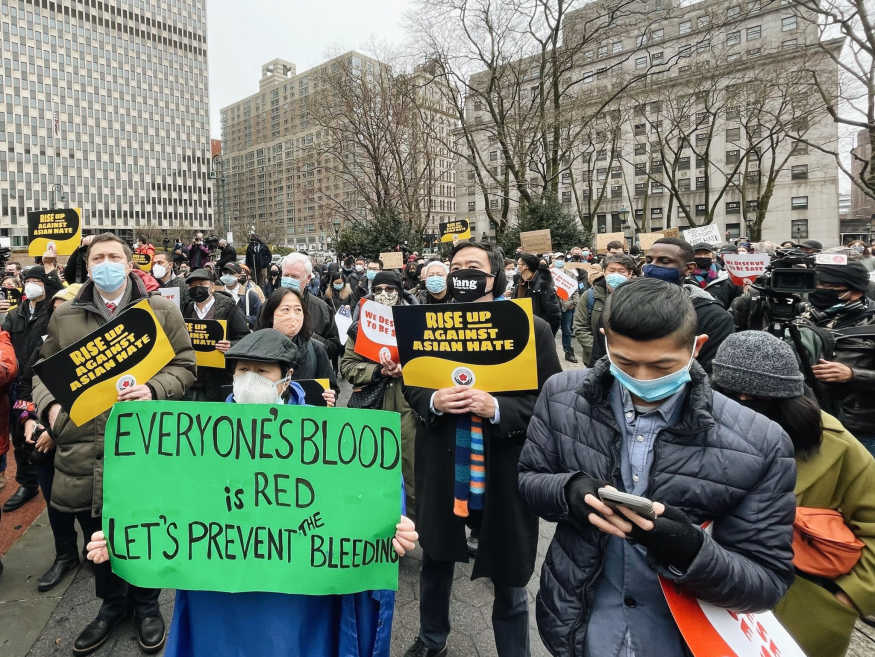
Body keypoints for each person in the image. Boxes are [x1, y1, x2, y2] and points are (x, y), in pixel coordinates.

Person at [83, 328, 419, 657]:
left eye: (261, 371)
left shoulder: (324, 437)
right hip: (218, 602)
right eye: (243, 370)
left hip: (298, 602)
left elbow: (366, 497)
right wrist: (122, 534)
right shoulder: (201, 439)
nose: (250, 378)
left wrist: (393, 525)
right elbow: (163, 498)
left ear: (286, 379)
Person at [519, 277, 797, 657]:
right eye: (626, 362)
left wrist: (689, 550)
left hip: (682, 640)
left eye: (662, 366)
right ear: (605, 341)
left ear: (697, 348)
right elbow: (530, 481)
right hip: (580, 625)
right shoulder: (561, 396)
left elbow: (765, 581)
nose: (641, 380)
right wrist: (567, 491)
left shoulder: (762, 443)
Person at [32, 233, 196, 656]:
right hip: (84, 446)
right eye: (97, 257)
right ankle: (110, 606)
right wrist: (51, 412)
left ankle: (146, 606)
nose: (105, 263)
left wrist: (155, 389)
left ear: (129, 264)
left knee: (143, 528)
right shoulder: (65, 316)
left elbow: (186, 365)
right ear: (88, 266)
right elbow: (41, 373)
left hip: (143, 446)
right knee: (96, 536)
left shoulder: (160, 310)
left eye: (113, 257)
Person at [402, 242, 562, 657]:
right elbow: (413, 385)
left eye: (473, 266)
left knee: (508, 572)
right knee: (436, 558)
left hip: (505, 467)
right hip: (443, 461)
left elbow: (551, 399)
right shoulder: (426, 324)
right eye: (456, 267)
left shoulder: (533, 329)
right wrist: (434, 401)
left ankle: (514, 648)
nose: (461, 274)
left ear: (495, 275)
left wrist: (497, 408)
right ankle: (431, 636)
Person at [709, 331, 875, 657]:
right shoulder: (691, 424)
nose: (745, 410)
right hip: (703, 604)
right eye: (731, 397)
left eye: (757, 400)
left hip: (798, 615)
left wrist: (846, 596)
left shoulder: (837, 447)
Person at [17, 285, 81, 592]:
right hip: (42, 438)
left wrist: (57, 432)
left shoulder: (90, 349)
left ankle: (95, 555)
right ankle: (65, 554)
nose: (58, 315)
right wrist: (29, 420)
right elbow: (26, 385)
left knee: (86, 504)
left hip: (77, 441)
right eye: (54, 309)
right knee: (55, 501)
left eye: (65, 308)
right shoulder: (41, 345)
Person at [341, 271, 417, 513]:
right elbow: (348, 366)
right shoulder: (360, 327)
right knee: (374, 469)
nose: (385, 294)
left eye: (390, 289)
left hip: (411, 406)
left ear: (400, 290)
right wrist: (378, 372)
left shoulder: (417, 321)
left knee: (412, 467)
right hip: (372, 406)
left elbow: (433, 363)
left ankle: (413, 524)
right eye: (379, 289)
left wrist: (408, 369)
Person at [1, 266, 62, 513]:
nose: (32, 285)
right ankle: (27, 484)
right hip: (18, 385)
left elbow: (61, 292)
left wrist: (50, 270)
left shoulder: (52, 314)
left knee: (47, 433)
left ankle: (54, 481)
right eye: (29, 281)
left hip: (45, 384)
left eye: (38, 281)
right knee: (20, 435)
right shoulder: (14, 315)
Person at [807, 261, 875, 455]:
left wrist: (853, 374)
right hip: (812, 419)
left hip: (859, 428)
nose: (818, 291)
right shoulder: (809, 314)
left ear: (852, 289)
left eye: (826, 287)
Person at [643, 238, 734, 373]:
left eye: (665, 261)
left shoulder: (714, 317)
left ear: (689, 268)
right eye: (649, 260)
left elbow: (709, 375)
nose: (652, 267)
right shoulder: (625, 304)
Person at [258, 288, 337, 406]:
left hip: (305, 422)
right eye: (286, 310)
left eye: (298, 310)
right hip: (265, 420)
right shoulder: (254, 349)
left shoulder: (317, 350)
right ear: (271, 315)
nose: (293, 316)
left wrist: (330, 397)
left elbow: (331, 388)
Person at [182, 268, 250, 402]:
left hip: (219, 378)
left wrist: (231, 345)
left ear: (212, 286)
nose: (197, 289)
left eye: (202, 284)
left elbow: (245, 338)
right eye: (193, 286)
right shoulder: (186, 308)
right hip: (191, 378)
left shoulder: (229, 307)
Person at [573, 254, 637, 367]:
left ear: (630, 273)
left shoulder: (639, 297)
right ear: (604, 271)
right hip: (595, 360)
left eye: (621, 271)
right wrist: (599, 349)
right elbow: (580, 327)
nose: (616, 274)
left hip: (628, 362)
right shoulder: (590, 296)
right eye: (611, 270)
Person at [280, 253, 342, 360]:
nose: (289, 280)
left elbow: (335, 348)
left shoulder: (322, 308)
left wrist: (309, 336)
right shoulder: (269, 306)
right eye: (286, 275)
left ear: (308, 278)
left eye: (294, 276)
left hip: (311, 372)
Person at [514, 253, 561, 334]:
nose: (517, 266)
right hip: (524, 330)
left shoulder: (544, 286)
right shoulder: (520, 283)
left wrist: (546, 335)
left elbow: (554, 315)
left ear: (526, 266)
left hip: (539, 333)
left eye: (518, 264)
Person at [219, 262, 262, 329]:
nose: (227, 276)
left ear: (239, 275)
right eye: (225, 273)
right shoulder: (217, 294)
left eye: (231, 273)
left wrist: (244, 318)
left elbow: (260, 317)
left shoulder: (250, 295)